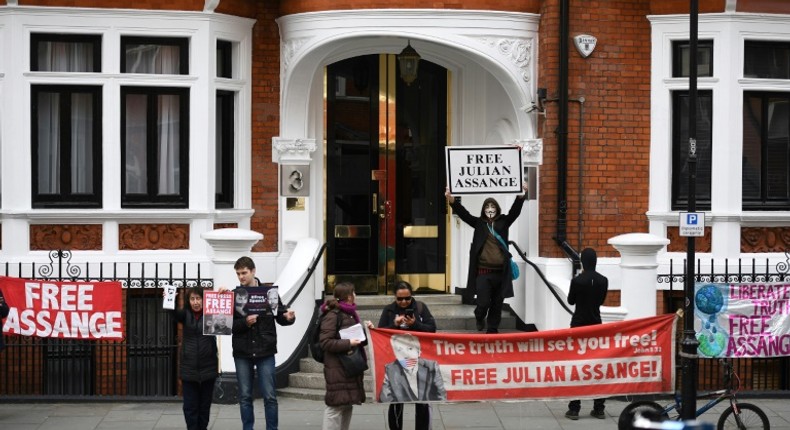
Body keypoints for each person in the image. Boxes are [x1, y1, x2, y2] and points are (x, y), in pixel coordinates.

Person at [445, 182, 528, 333]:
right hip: (483, 272)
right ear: (484, 210)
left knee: (497, 302)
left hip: (501, 272)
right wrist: (452, 200)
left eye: (493, 207)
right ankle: (479, 315)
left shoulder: (504, 222)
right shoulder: (479, 223)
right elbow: (464, 215)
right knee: (483, 302)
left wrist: (521, 196)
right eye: (487, 208)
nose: (490, 210)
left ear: (497, 209)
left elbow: (515, 212)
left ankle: (492, 328)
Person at [231, 256, 295, 430]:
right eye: (238, 274)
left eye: (244, 273)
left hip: (265, 350)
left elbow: (280, 315)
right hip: (242, 352)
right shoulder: (234, 295)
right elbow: (227, 325)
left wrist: (288, 317)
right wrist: (245, 323)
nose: (241, 277)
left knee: (270, 396)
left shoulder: (269, 293)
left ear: (253, 271)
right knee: (245, 396)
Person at [377, 281, 441, 430]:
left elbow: (432, 329)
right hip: (396, 360)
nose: (404, 302)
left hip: (419, 360)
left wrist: (415, 324)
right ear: (394, 297)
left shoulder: (420, 307)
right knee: (396, 401)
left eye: (407, 298)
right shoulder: (389, 310)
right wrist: (394, 325)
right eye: (400, 299)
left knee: (422, 400)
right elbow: (380, 333)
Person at [319, 281, 374, 430]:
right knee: (335, 407)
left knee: (346, 404)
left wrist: (368, 331)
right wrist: (348, 343)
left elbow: (358, 340)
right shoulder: (333, 314)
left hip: (348, 367)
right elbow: (325, 342)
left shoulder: (349, 314)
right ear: (349, 296)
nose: (355, 295)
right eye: (354, 293)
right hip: (338, 368)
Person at [564, 248, 609, 420]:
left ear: (582, 261)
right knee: (598, 367)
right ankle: (599, 408)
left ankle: (574, 408)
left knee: (577, 367)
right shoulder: (603, 280)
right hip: (596, 326)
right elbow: (601, 300)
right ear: (595, 261)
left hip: (578, 326)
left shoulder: (577, 281)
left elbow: (571, 301)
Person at [165, 287, 218, 430]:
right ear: (188, 301)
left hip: (208, 366)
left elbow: (227, 312)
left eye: (199, 298)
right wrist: (171, 300)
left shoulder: (211, 314)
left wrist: (223, 294)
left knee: (204, 406)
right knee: (190, 406)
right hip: (189, 368)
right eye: (192, 299)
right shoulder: (185, 315)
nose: (196, 302)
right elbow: (174, 313)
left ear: (204, 299)